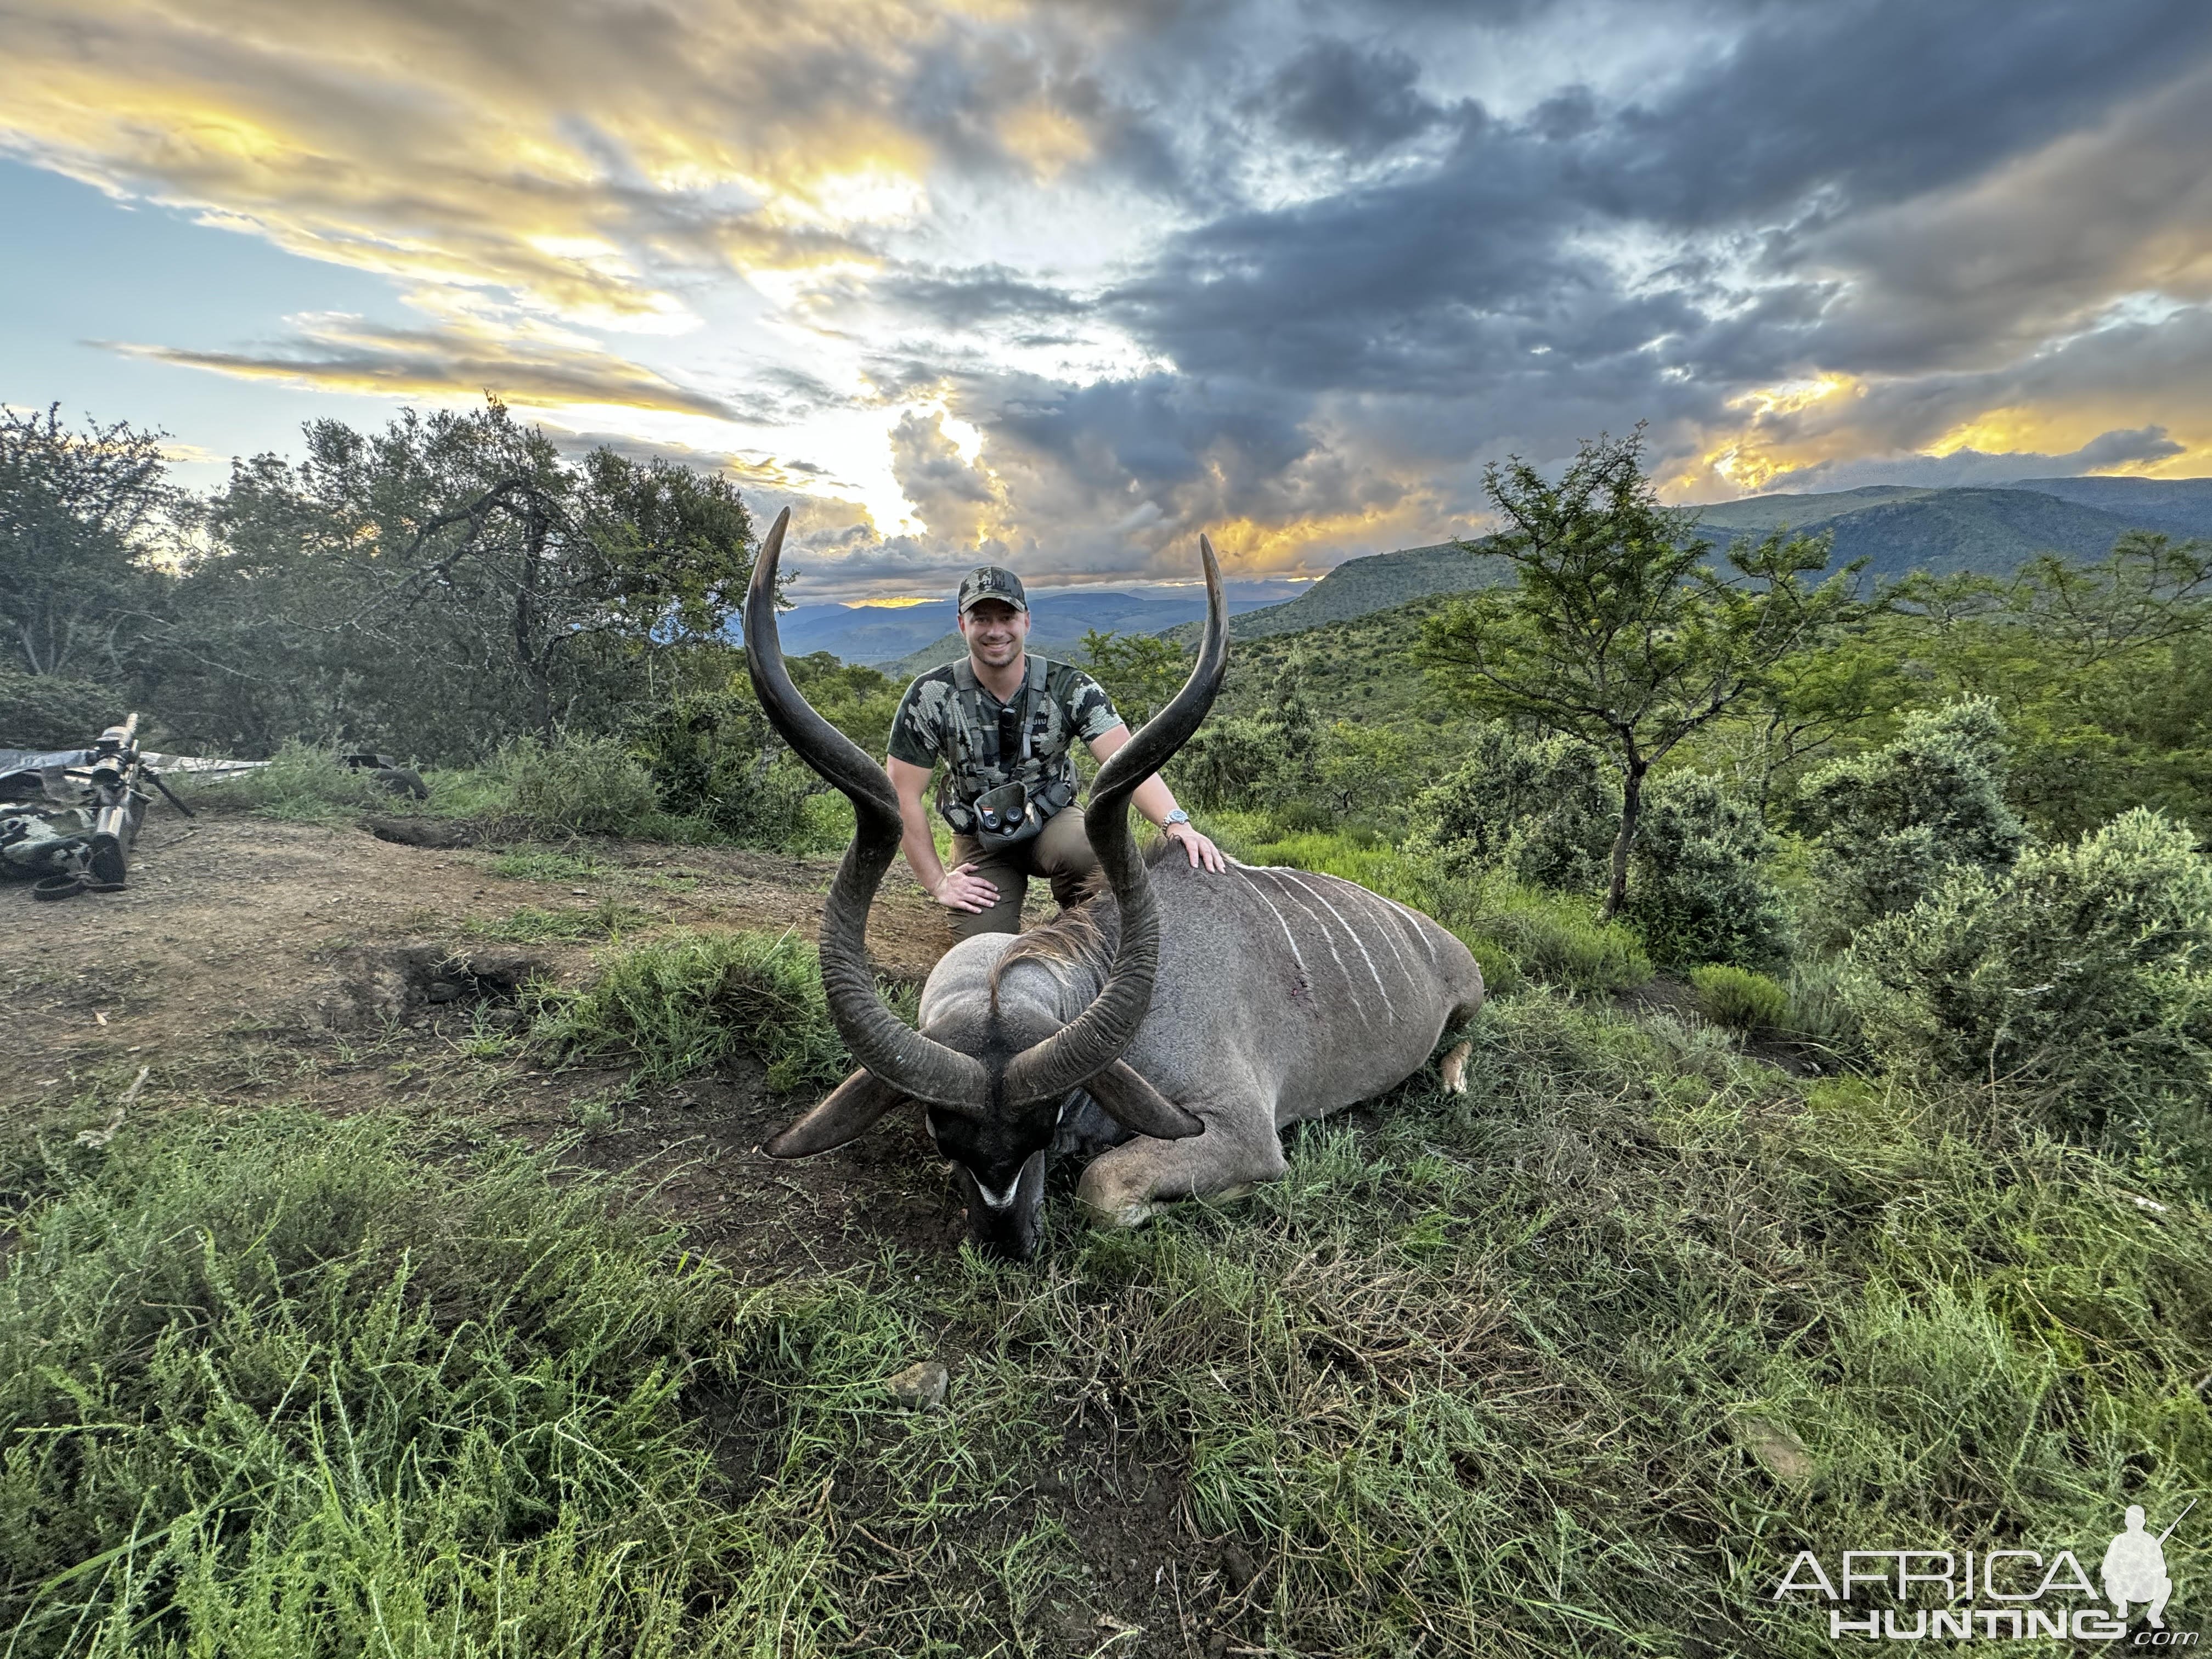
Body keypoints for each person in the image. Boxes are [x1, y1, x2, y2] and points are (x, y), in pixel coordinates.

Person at [886, 564, 1225, 939]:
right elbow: (903, 795)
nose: (996, 630)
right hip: (981, 836)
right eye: (981, 618)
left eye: (1007, 616)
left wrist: (1177, 824)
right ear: (963, 625)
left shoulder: (1070, 687)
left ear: (1026, 621)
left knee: (1091, 854)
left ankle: (1083, 934)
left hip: (1052, 820)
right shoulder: (930, 696)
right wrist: (938, 882)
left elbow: (1129, 762)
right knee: (983, 947)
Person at [2101, 1505, 2173, 1628]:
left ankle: (2154, 1614)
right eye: (2131, 1520)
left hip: (2143, 1588)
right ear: (2126, 1522)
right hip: (2122, 1588)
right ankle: (2121, 1605)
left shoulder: (2150, 1541)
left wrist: (2147, 1569)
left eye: (2138, 1520)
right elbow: (2106, 1569)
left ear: (2143, 1522)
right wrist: (2122, 1572)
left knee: (2167, 1583)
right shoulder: (2119, 1541)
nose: (2135, 1523)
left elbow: (2162, 1570)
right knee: (2110, 1582)